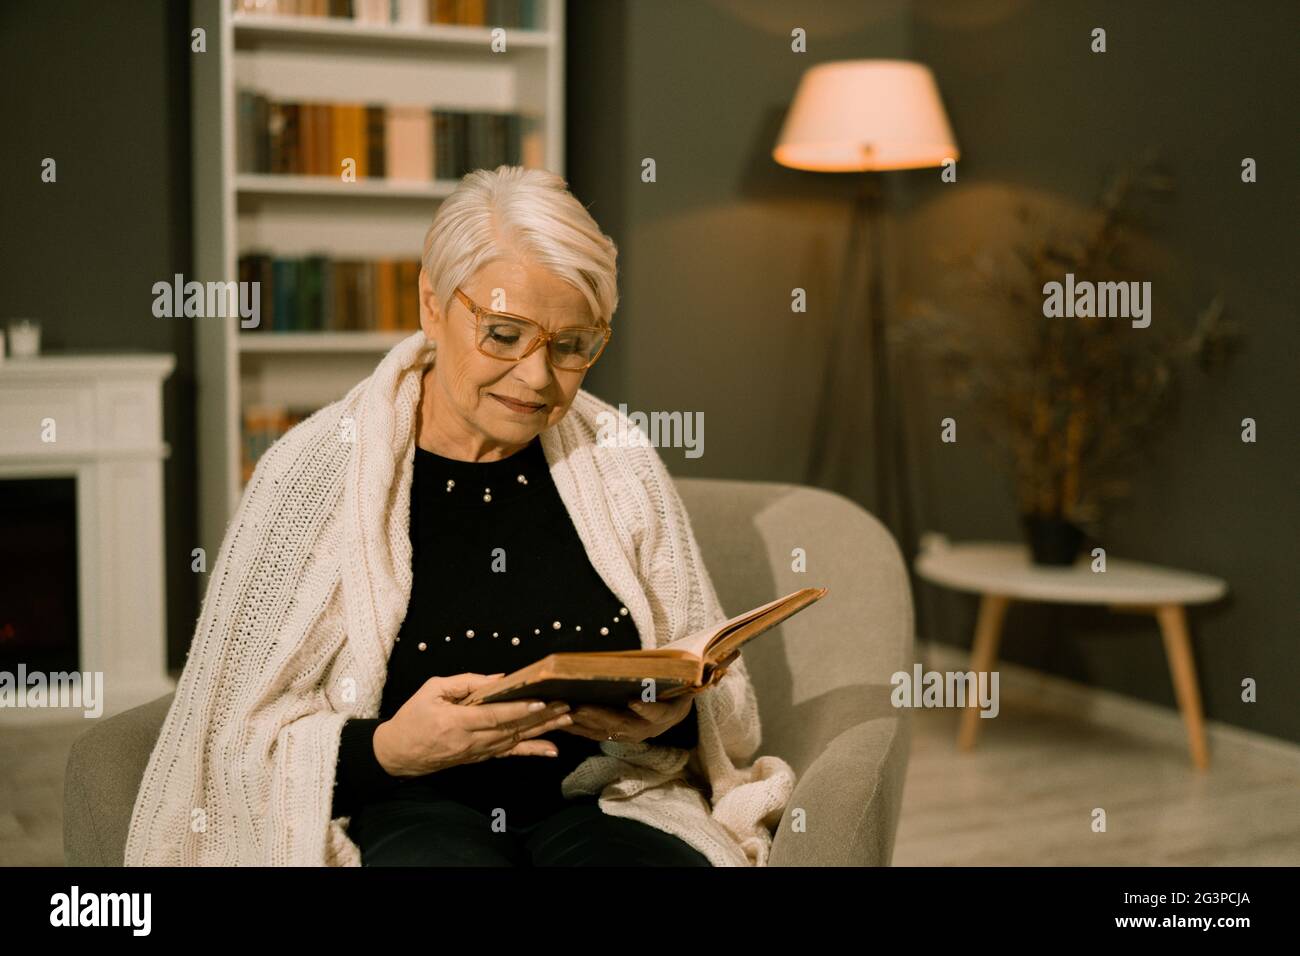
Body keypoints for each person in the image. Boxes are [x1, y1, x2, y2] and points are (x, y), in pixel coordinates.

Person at [124, 166, 795, 867]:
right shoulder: (310, 471)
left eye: (571, 346)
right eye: (504, 334)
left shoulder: (618, 456)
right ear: (432, 304)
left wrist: (671, 716)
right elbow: (230, 739)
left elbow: (711, 703)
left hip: (605, 797)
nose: (537, 378)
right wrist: (390, 749)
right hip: (403, 808)